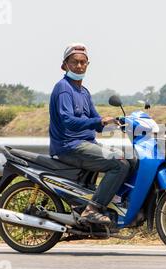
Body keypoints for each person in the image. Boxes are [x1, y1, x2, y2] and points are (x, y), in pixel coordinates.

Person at [49, 43, 130, 225]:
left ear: (88, 64)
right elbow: (67, 121)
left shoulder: (84, 92)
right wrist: (99, 121)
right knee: (119, 164)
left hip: (86, 144)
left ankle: (115, 201)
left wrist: (118, 123)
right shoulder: (63, 89)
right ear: (65, 65)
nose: (79, 66)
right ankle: (92, 210)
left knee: (131, 159)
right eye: (74, 62)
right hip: (69, 146)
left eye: (83, 62)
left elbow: (97, 123)